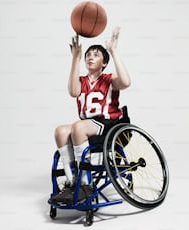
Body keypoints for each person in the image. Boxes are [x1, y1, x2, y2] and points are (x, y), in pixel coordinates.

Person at [51, 27, 131, 205]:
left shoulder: (109, 79)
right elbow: (73, 92)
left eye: (96, 54)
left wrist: (113, 50)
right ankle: (73, 182)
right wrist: (75, 58)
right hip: (89, 125)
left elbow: (126, 82)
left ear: (104, 62)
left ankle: (85, 185)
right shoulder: (82, 81)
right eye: (88, 54)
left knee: (79, 126)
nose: (90, 56)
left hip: (109, 124)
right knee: (60, 131)